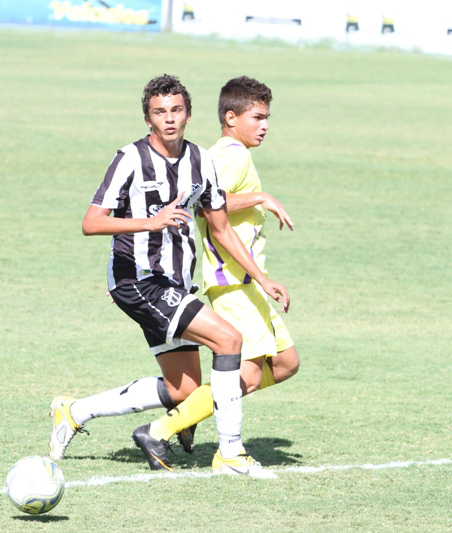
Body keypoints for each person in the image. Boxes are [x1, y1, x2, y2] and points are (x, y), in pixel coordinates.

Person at [49, 74, 288, 476]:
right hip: (139, 281)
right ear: (148, 119)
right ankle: (230, 454)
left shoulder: (201, 161)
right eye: (160, 112)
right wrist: (150, 222)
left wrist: (262, 279)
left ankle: (73, 411)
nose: (169, 119)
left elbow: (221, 226)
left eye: (176, 110)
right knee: (229, 340)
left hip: (172, 285)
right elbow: (91, 223)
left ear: (189, 115)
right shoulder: (129, 158)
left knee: (185, 390)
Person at [142, 75, 300, 464]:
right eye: (258, 117)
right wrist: (261, 195)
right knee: (244, 375)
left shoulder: (224, 153)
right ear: (231, 118)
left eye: (268, 118)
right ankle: (163, 429)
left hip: (247, 285)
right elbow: (206, 204)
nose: (265, 126)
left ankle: (195, 407)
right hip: (233, 284)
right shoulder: (233, 155)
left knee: (285, 362)